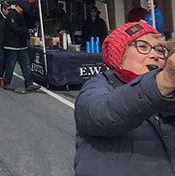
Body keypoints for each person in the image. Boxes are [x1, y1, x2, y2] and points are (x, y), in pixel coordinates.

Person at [74, 20, 175, 176]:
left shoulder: (168, 95)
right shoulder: (99, 86)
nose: (155, 55)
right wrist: (166, 80)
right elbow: (102, 115)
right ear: (119, 55)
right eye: (143, 47)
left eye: (160, 49)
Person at [2, 0, 40, 92]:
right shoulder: (12, 15)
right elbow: (15, 28)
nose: (23, 10)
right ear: (18, 7)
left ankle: (29, 83)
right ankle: (7, 82)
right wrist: (26, 31)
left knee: (26, 64)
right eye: (22, 8)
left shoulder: (19, 15)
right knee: (11, 65)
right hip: (12, 44)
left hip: (20, 44)